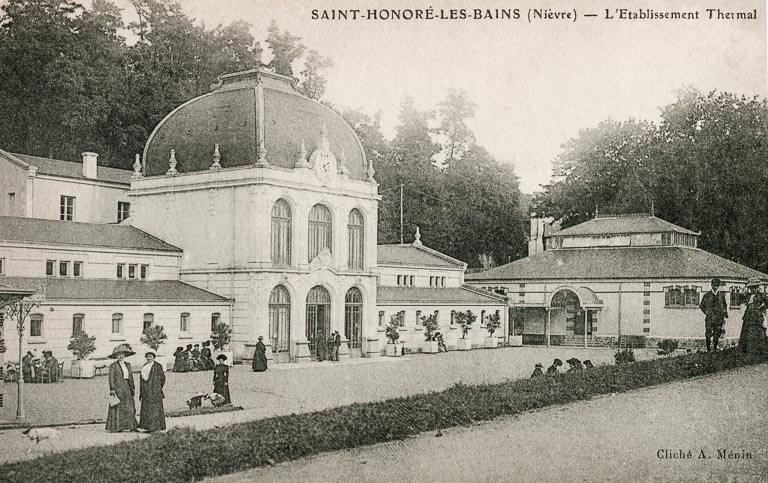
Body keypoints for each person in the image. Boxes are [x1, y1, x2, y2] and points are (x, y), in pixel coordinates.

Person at [105, 344, 138, 432]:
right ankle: (117, 427)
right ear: (116, 356)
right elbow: (111, 378)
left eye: (122, 355)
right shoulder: (113, 366)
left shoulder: (128, 365)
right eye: (119, 355)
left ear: (125, 356)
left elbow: (130, 377)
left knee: (129, 406)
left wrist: (132, 387)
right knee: (118, 406)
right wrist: (112, 389)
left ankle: (131, 426)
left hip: (127, 387)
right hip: (118, 388)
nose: (121, 356)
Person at [738, 278, 768, 354]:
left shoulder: (762, 295)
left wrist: (761, 308)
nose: (753, 289)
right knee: (747, 331)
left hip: (757, 316)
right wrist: (742, 292)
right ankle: (747, 349)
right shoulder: (748, 296)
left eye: (754, 287)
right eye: (751, 288)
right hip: (748, 316)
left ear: (757, 287)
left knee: (758, 331)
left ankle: (759, 349)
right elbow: (741, 300)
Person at [138, 351, 166, 432]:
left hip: (154, 392)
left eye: (150, 356)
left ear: (154, 357)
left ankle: (155, 428)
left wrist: (157, 388)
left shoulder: (157, 366)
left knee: (155, 409)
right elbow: (142, 380)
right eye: (147, 357)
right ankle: (148, 427)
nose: (149, 358)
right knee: (146, 409)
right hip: (146, 391)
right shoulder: (144, 366)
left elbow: (162, 378)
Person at [699, 278, 728, 351]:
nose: (716, 287)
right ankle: (708, 348)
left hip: (719, 318)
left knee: (717, 333)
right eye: (714, 285)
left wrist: (723, 314)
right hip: (710, 318)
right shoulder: (707, 295)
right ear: (711, 285)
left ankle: (715, 348)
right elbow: (702, 306)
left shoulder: (721, 295)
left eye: (717, 286)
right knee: (708, 333)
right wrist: (706, 312)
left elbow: (725, 305)